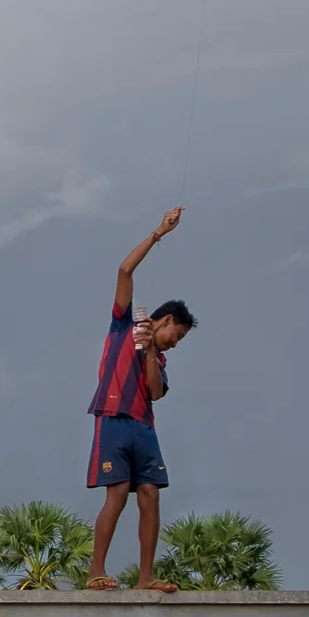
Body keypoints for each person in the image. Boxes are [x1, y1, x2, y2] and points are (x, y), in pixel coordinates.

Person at [81, 209, 198, 593]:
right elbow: (125, 271)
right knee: (117, 494)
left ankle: (146, 577)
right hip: (113, 419)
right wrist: (159, 233)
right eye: (174, 336)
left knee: (150, 494)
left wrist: (151, 351)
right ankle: (95, 571)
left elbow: (154, 393)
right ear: (163, 321)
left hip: (143, 427)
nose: (174, 343)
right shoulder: (122, 325)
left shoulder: (158, 359)